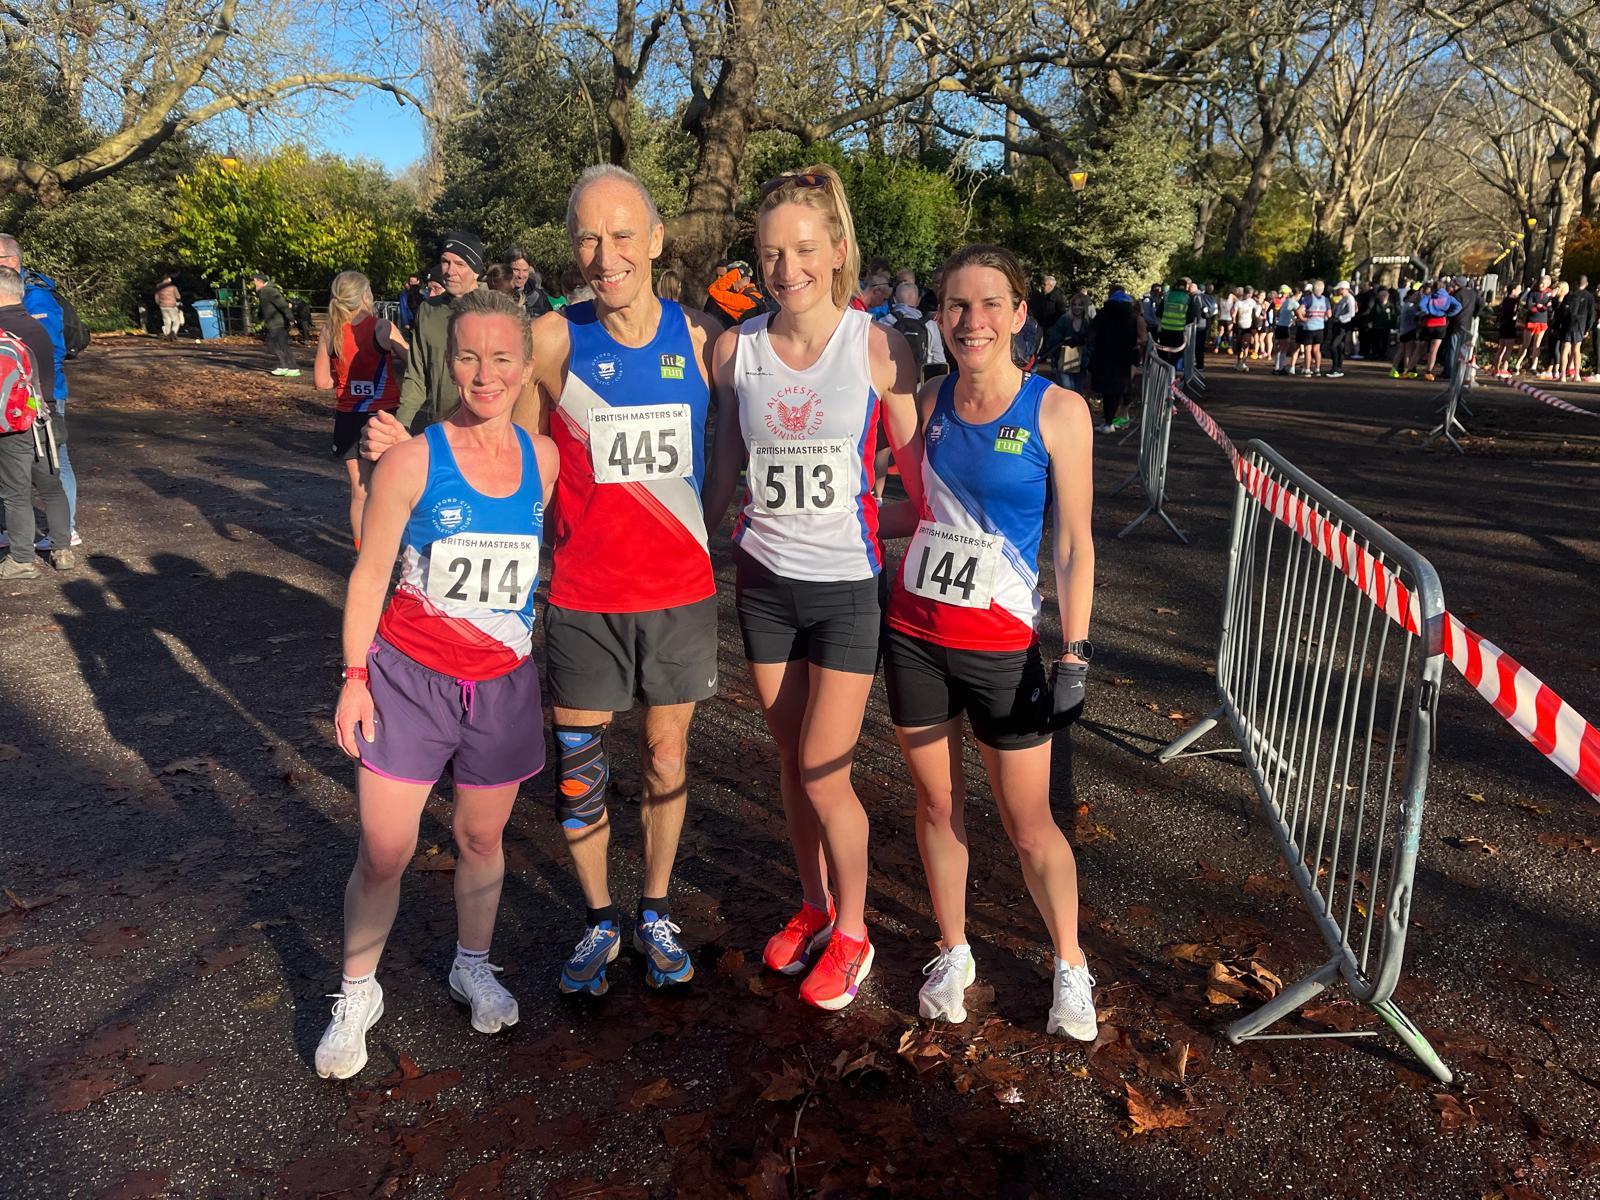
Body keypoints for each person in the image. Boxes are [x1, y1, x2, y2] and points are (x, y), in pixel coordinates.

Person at [365, 167, 721, 997]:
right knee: (581, 768)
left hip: (680, 593)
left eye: (622, 234)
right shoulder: (555, 340)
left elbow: (746, 439)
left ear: (656, 240)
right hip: (586, 596)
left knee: (667, 756)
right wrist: (417, 462)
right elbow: (504, 453)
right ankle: (599, 917)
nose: (605, 254)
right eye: (587, 238)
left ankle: (655, 909)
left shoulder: (704, 338)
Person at [316, 289, 557, 1080]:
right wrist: (355, 678)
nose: (484, 375)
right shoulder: (413, 460)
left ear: (525, 365)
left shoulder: (543, 460)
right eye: (468, 357)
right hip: (409, 680)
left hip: (501, 685)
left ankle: (472, 965)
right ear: (447, 361)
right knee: (385, 851)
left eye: (501, 358)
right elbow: (370, 574)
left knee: (481, 839)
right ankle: (357, 993)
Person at [700, 164, 923, 1011]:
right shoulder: (736, 349)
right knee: (792, 765)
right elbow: (725, 465)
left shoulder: (877, 347)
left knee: (828, 772)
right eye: (769, 254)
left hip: (844, 591)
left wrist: (942, 529)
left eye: (801, 250)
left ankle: (856, 931)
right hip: (763, 585)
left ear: (836, 252)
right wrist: (693, 542)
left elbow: (918, 479)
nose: (784, 268)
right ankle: (814, 904)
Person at [876, 243, 1098, 1040]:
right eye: (957, 306)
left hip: (1003, 645)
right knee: (937, 804)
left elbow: (1072, 544)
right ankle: (954, 948)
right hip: (915, 634)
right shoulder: (929, 399)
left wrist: (1075, 649)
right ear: (939, 316)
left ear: (1018, 314)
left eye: (989, 304)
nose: (972, 321)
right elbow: (918, 510)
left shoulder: (1057, 411)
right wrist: (832, 512)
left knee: (1028, 822)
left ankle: (1070, 963)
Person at [314, 270, 409, 548]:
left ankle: (362, 554)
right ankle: (392, 548)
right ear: (367, 295)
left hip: (348, 417)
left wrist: (346, 379)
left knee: (359, 492)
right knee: (391, 487)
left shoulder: (330, 330)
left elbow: (321, 382)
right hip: (382, 416)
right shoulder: (382, 327)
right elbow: (414, 361)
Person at [0, 233, 79, 545]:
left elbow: (50, 350)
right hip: (13, 394)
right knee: (14, 462)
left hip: (44, 393)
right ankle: (14, 529)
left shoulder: (36, 297)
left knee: (55, 460)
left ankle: (66, 531)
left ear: (11, 261)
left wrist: (41, 393)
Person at [392, 231, 485, 432]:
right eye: (445, 262)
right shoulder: (428, 311)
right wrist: (401, 425)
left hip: (486, 429)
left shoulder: (496, 309)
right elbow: (416, 375)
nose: (450, 271)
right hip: (441, 427)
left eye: (460, 264)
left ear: (476, 271)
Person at [1087, 283, 1142, 432]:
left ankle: (1108, 421)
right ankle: (1112, 420)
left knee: (1107, 391)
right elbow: (1133, 338)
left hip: (1105, 356)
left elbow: (1093, 331)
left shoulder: (1105, 312)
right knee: (1118, 389)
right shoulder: (1130, 314)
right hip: (1123, 357)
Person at [1043, 291, 1093, 394]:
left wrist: (1087, 354)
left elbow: (1092, 343)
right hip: (1064, 360)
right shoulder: (1064, 320)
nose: (1077, 307)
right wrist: (1064, 344)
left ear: (1084, 307)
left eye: (1080, 305)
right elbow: (1053, 338)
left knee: (1078, 392)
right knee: (1067, 390)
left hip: (1082, 363)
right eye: (1074, 304)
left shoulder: (1088, 323)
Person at [1414, 279, 1461, 381]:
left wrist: (1427, 311)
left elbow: (1421, 305)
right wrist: (1448, 314)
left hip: (1428, 323)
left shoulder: (1429, 296)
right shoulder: (1448, 297)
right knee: (1433, 351)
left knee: (1419, 348)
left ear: (1433, 288)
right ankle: (1429, 372)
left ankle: (1410, 369)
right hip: (1441, 324)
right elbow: (1458, 306)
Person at [252, 272, 298, 377]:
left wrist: (291, 318)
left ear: (259, 281)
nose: (254, 284)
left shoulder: (269, 290)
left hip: (278, 322)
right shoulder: (264, 291)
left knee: (275, 344)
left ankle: (288, 367)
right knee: (280, 345)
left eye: (254, 281)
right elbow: (263, 307)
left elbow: (282, 305)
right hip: (274, 322)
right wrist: (258, 318)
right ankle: (289, 367)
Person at [1512, 274, 1554, 376]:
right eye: (1540, 283)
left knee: (1537, 345)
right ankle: (1517, 364)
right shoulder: (1533, 292)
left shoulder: (1549, 295)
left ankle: (1534, 366)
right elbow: (1528, 305)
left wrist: (1543, 307)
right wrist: (1537, 306)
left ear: (1548, 284)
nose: (1541, 285)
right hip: (1531, 320)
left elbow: (1549, 308)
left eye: (1543, 284)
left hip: (1542, 321)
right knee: (1525, 344)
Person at [707, 260, 764, 326]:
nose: (719, 280)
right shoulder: (750, 295)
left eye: (730, 276)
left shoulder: (748, 300)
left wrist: (738, 272)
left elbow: (713, 290)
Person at [1292, 280, 1330, 377]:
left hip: (1309, 327)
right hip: (1320, 327)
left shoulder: (1308, 298)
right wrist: (1322, 316)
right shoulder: (1325, 300)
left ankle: (1307, 369)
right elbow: (1329, 314)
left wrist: (1303, 319)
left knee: (1308, 349)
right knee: (1317, 349)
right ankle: (1317, 369)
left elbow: (1298, 310)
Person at [507, 248, 553, 318]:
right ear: (505, 268)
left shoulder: (540, 297)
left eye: (525, 270)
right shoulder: (497, 296)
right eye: (516, 270)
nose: (520, 275)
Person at [1490, 283, 1523, 379]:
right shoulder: (1515, 301)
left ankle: (1496, 369)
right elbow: (1514, 312)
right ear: (1513, 290)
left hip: (1503, 324)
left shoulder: (1505, 300)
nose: (1520, 291)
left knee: (1501, 348)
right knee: (1508, 348)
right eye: (1518, 289)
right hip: (1510, 325)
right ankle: (1504, 369)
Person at [1326, 281, 1355, 378]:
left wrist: (1340, 318)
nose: (1338, 291)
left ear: (1343, 289)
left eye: (1339, 289)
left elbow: (1352, 313)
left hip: (1343, 325)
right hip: (1337, 324)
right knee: (1339, 346)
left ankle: (1335, 368)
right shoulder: (1343, 298)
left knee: (1333, 346)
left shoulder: (1349, 298)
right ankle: (1338, 367)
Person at [1231, 286, 1259, 372]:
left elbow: (1257, 311)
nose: (1250, 296)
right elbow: (1234, 312)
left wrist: (1256, 322)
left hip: (1248, 326)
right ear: (1245, 293)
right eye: (1248, 294)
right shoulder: (1239, 302)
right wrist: (1233, 319)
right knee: (1239, 344)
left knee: (1246, 343)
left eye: (1251, 294)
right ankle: (1238, 362)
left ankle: (1244, 362)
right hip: (1239, 326)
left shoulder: (1252, 302)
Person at [1271, 285, 1297, 374]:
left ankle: (1278, 367)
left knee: (1281, 346)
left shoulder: (1285, 301)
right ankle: (1279, 367)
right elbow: (1300, 310)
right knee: (1283, 346)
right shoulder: (1291, 301)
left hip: (1280, 325)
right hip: (1284, 326)